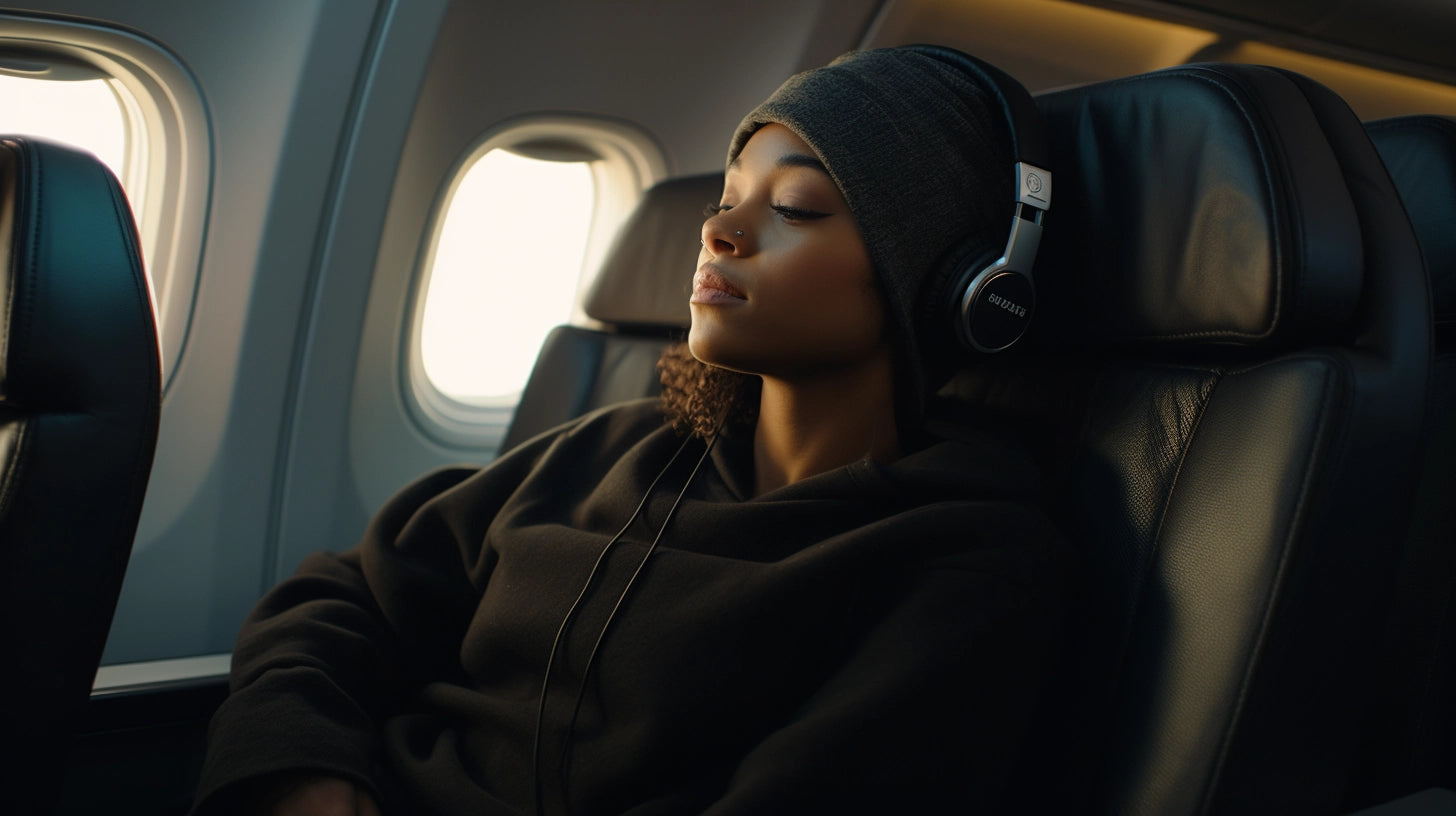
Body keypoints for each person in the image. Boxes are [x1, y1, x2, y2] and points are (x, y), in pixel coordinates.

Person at [192, 45, 1067, 816]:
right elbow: (341, 598)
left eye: (795, 207)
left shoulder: (962, 559)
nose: (720, 231)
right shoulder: (619, 447)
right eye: (727, 199)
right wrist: (301, 768)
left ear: (958, 283)